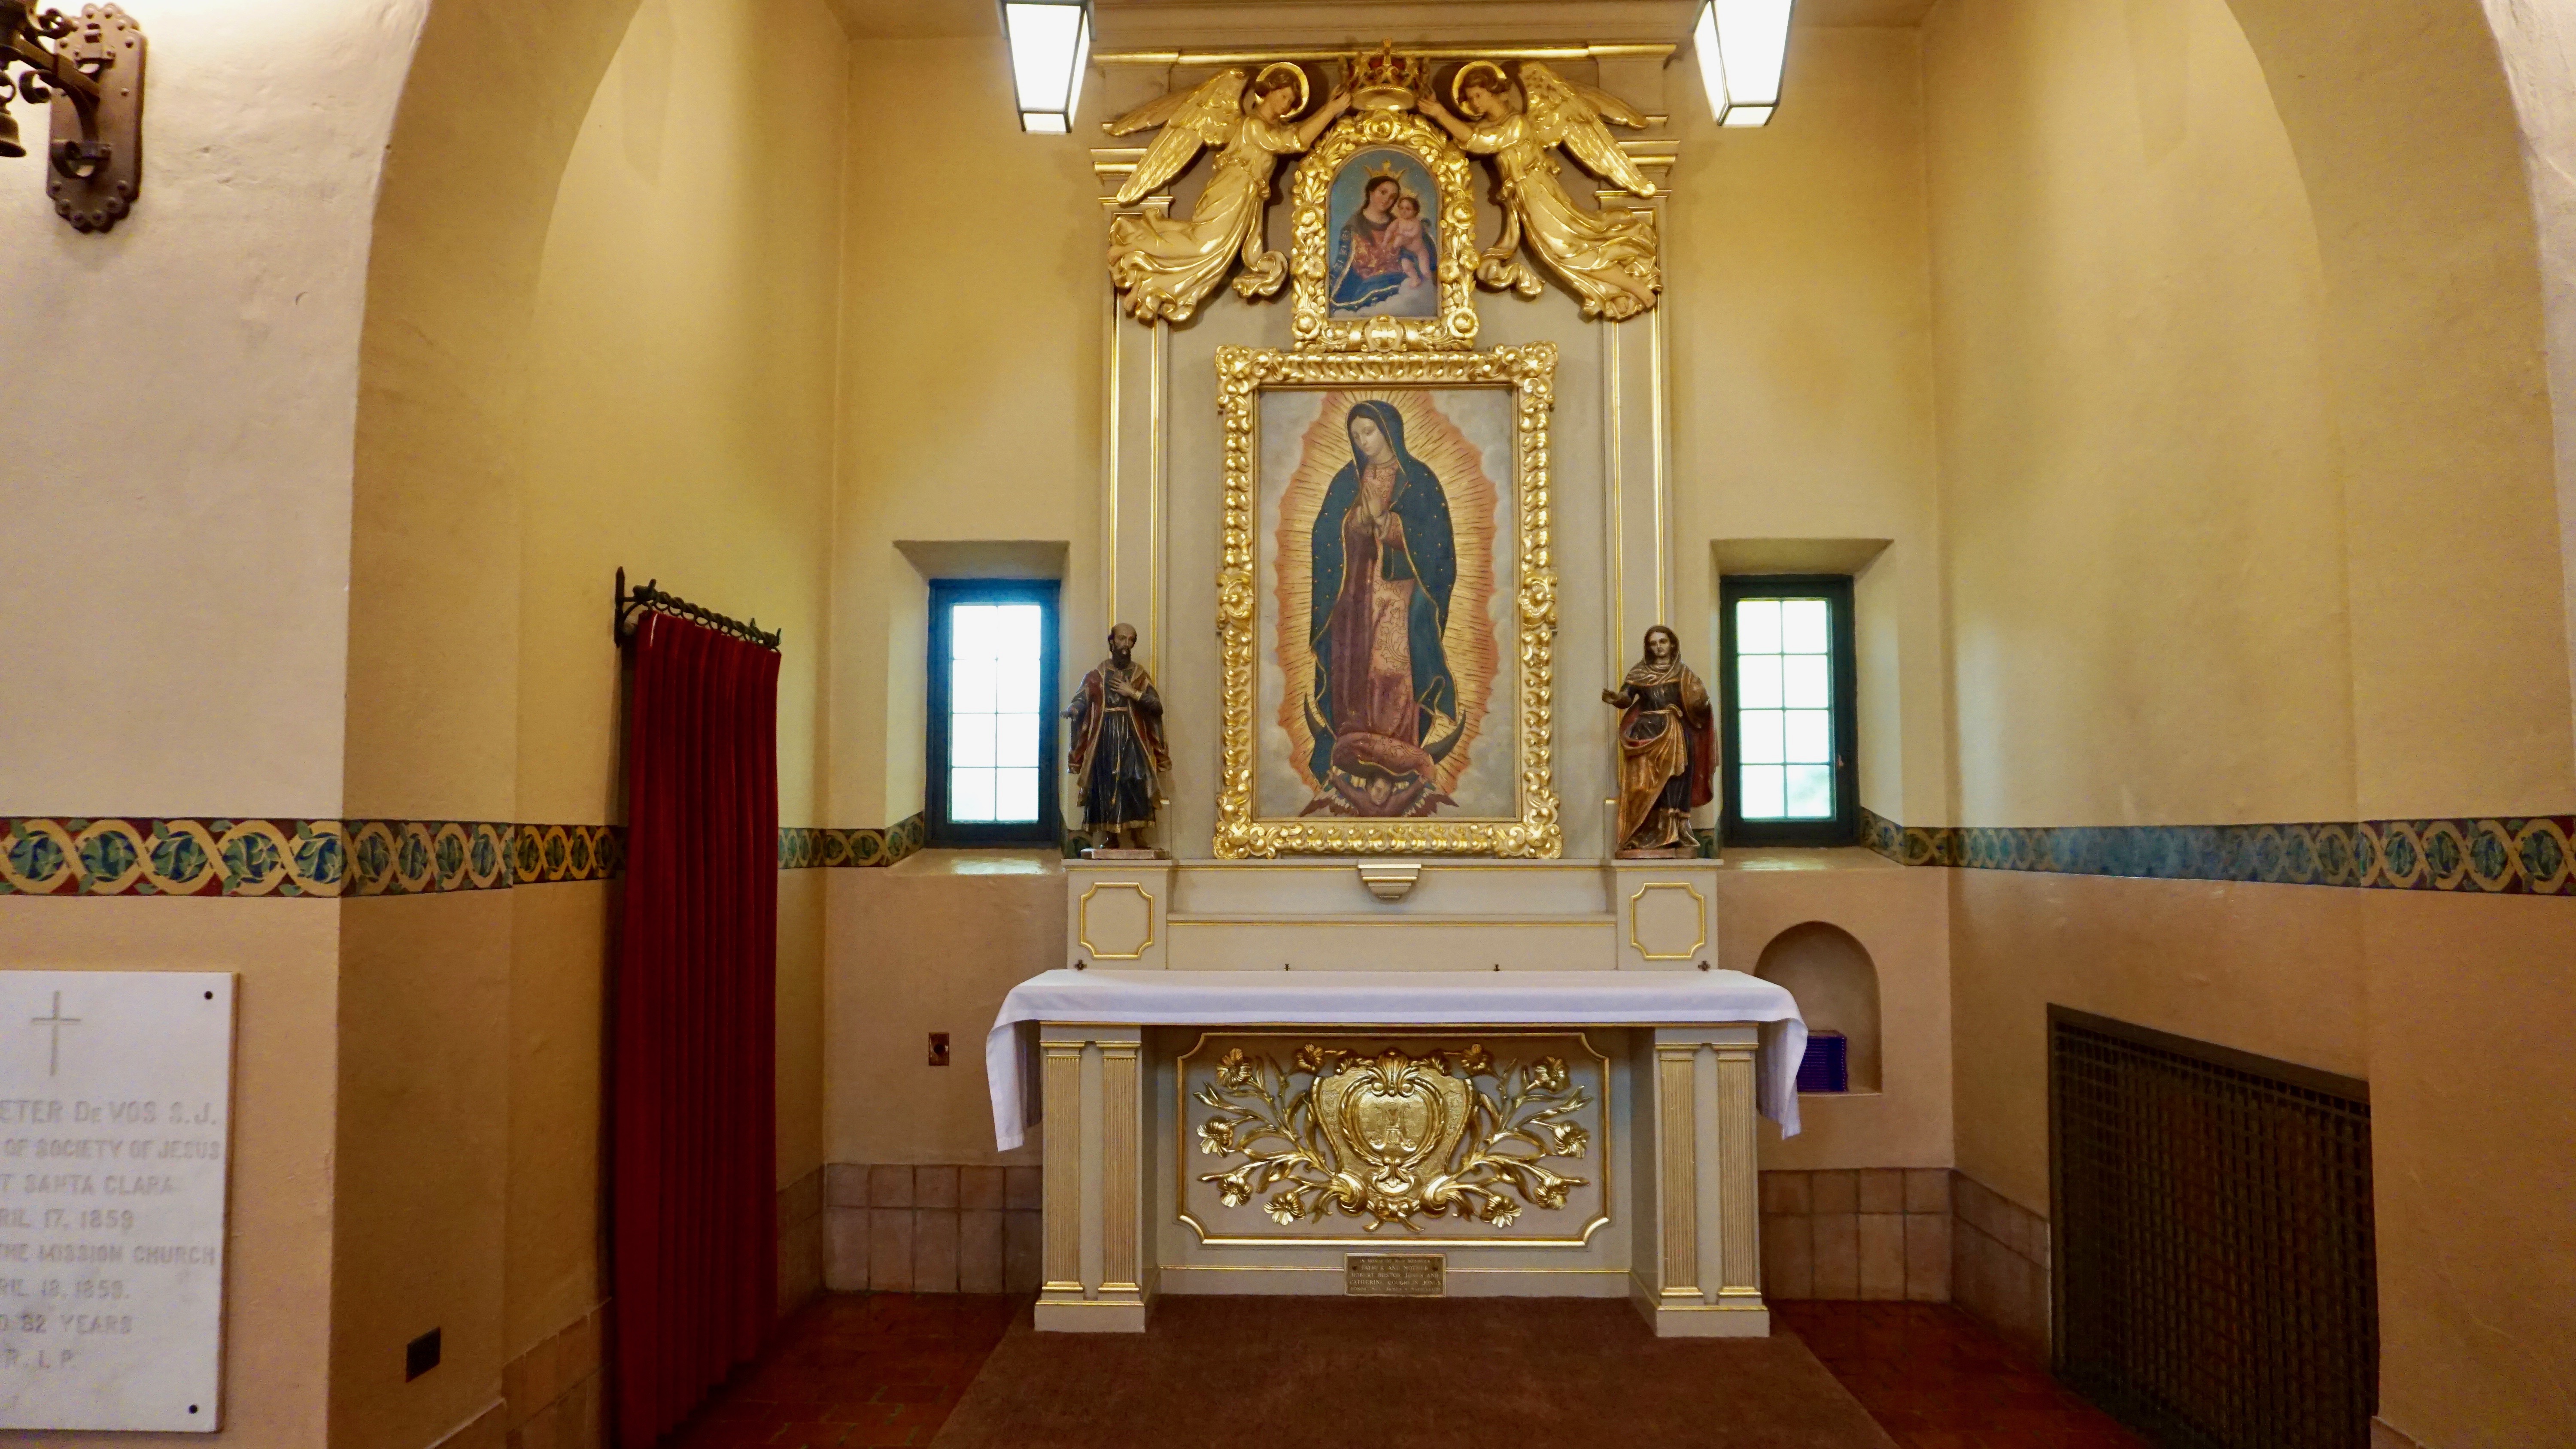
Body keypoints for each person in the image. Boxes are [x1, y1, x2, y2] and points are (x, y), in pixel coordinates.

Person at [1303, 400, 1460, 817]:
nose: (1363, 441)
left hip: (1399, 593)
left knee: (1392, 669)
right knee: (1354, 669)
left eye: (1369, 432)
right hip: (1353, 595)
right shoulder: (1346, 480)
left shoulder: (1420, 481)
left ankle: (1399, 745)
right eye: (1356, 436)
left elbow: (1439, 547)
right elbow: (1324, 537)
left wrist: (1390, 526)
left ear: (1390, 432)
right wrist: (1357, 522)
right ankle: (1355, 740)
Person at [1604, 625, 1715, 853]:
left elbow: (1698, 705)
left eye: (1663, 642)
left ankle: (1674, 834)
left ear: (1672, 644)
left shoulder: (1684, 674)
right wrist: (1617, 698)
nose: (1659, 647)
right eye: (1654, 643)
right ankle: (1642, 833)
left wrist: (1702, 704)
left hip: (1675, 733)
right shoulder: (1639, 673)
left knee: (1675, 782)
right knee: (1642, 785)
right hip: (1646, 734)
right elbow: (1626, 698)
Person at [1065, 623, 1169, 852]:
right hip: (1105, 737)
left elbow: (1156, 707)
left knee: (1136, 781)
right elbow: (1082, 699)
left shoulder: (1140, 676)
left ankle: (1138, 835)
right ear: (1111, 641)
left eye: (1131, 641)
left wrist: (1132, 693)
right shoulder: (1096, 675)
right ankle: (1110, 837)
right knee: (1107, 783)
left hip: (1133, 737)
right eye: (1122, 639)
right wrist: (1073, 710)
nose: (1126, 645)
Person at [1328, 173, 1434, 313]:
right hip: (1368, 289)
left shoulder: (1400, 224)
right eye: (1383, 193)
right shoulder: (1353, 228)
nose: (1387, 200)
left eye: (1393, 197)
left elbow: (1419, 252)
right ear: (1371, 192)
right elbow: (1343, 268)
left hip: (1404, 285)